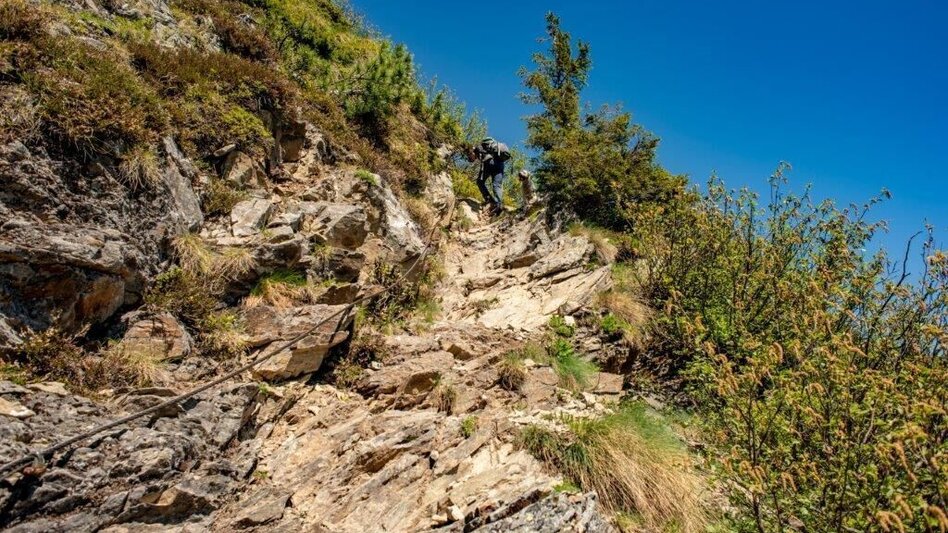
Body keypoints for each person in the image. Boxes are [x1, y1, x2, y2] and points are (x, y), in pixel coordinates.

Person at [468, 137, 510, 215]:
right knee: (497, 185)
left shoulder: (477, 148)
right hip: (500, 164)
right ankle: (498, 205)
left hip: (489, 163)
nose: (472, 160)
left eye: (470, 157)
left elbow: (475, 155)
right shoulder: (494, 147)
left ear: (471, 153)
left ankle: (489, 201)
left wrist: (473, 151)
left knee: (480, 182)